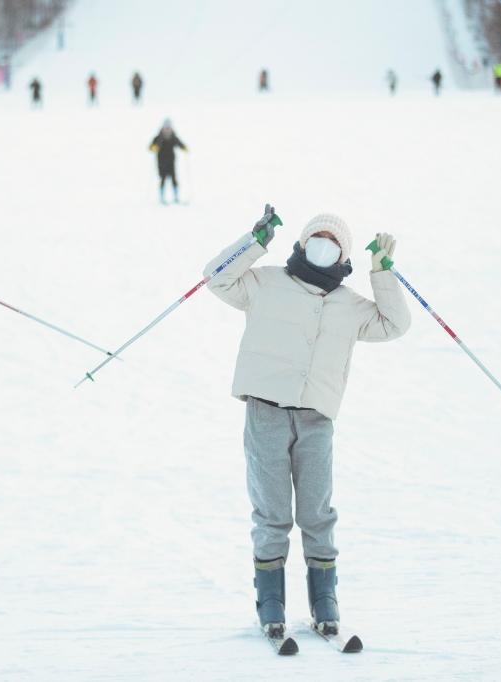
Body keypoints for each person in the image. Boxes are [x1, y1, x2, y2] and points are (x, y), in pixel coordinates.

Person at [204, 206, 410, 639]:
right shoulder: (265, 282)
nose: (323, 244)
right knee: (272, 512)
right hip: (266, 412)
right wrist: (254, 242)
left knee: (317, 513)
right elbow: (216, 276)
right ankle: (271, 600)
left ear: (342, 255)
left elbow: (395, 324)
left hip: (317, 418)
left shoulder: (351, 306)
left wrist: (382, 274)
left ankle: (324, 599)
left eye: (333, 241)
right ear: (301, 242)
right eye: (316, 236)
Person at [149, 119, 188, 204]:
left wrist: (184, 147)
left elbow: (179, 143)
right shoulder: (159, 137)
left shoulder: (173, 137)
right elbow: (151, 146)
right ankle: (161, 197)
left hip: (171, 161)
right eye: (166, 127)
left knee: (174, 178)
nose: (167, 129)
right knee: (163, 178)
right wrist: (153, 147)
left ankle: (176, 197)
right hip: (161, 161)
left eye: (168, 127)